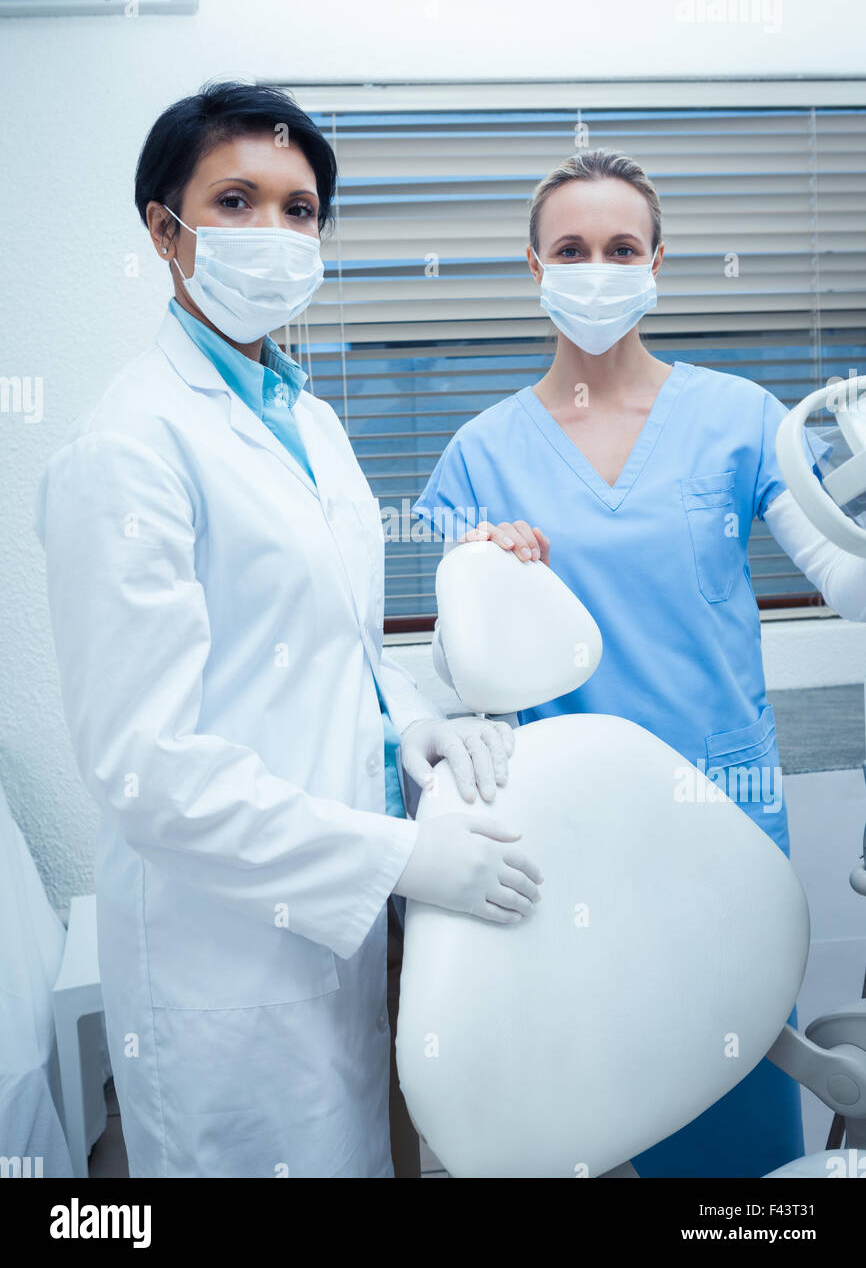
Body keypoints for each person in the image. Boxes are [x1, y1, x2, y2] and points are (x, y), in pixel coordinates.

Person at [33, 81, 543, 1179]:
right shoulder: (129, 446)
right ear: (163, 230)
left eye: (299, 209)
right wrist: (403, 853)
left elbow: (333, 645)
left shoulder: (301, 415)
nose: (272, 232)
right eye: (234, 200)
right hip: (220, 961)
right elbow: (147, 770)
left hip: (327, 923)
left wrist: (410, 723)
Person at [413, 148, 866, 1177]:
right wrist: (481, 572)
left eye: (620, 246)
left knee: (736, 1093)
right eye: (570, 248)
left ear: (657, 260)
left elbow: (846, 584)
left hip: (724, 815)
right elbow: (452, 662)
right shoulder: (481, 452)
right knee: (594, 1097)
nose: (596, 268)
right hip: (571, 827)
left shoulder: (736, 417)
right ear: (533, 266)